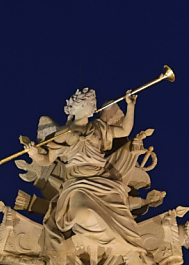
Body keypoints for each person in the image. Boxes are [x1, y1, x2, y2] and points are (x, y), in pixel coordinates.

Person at [22, 88, 148, 255]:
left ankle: (136, 248)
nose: (93, 106)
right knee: (82, 211)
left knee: (122, 211)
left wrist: (130, 107)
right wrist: (35, 154)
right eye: (90, 103)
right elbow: (47, 160)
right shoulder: (63, 133)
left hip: (101, 179)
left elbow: (125, 131)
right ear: (79, 106)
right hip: (77, 182)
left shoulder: (98, 127)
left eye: (92, 103)